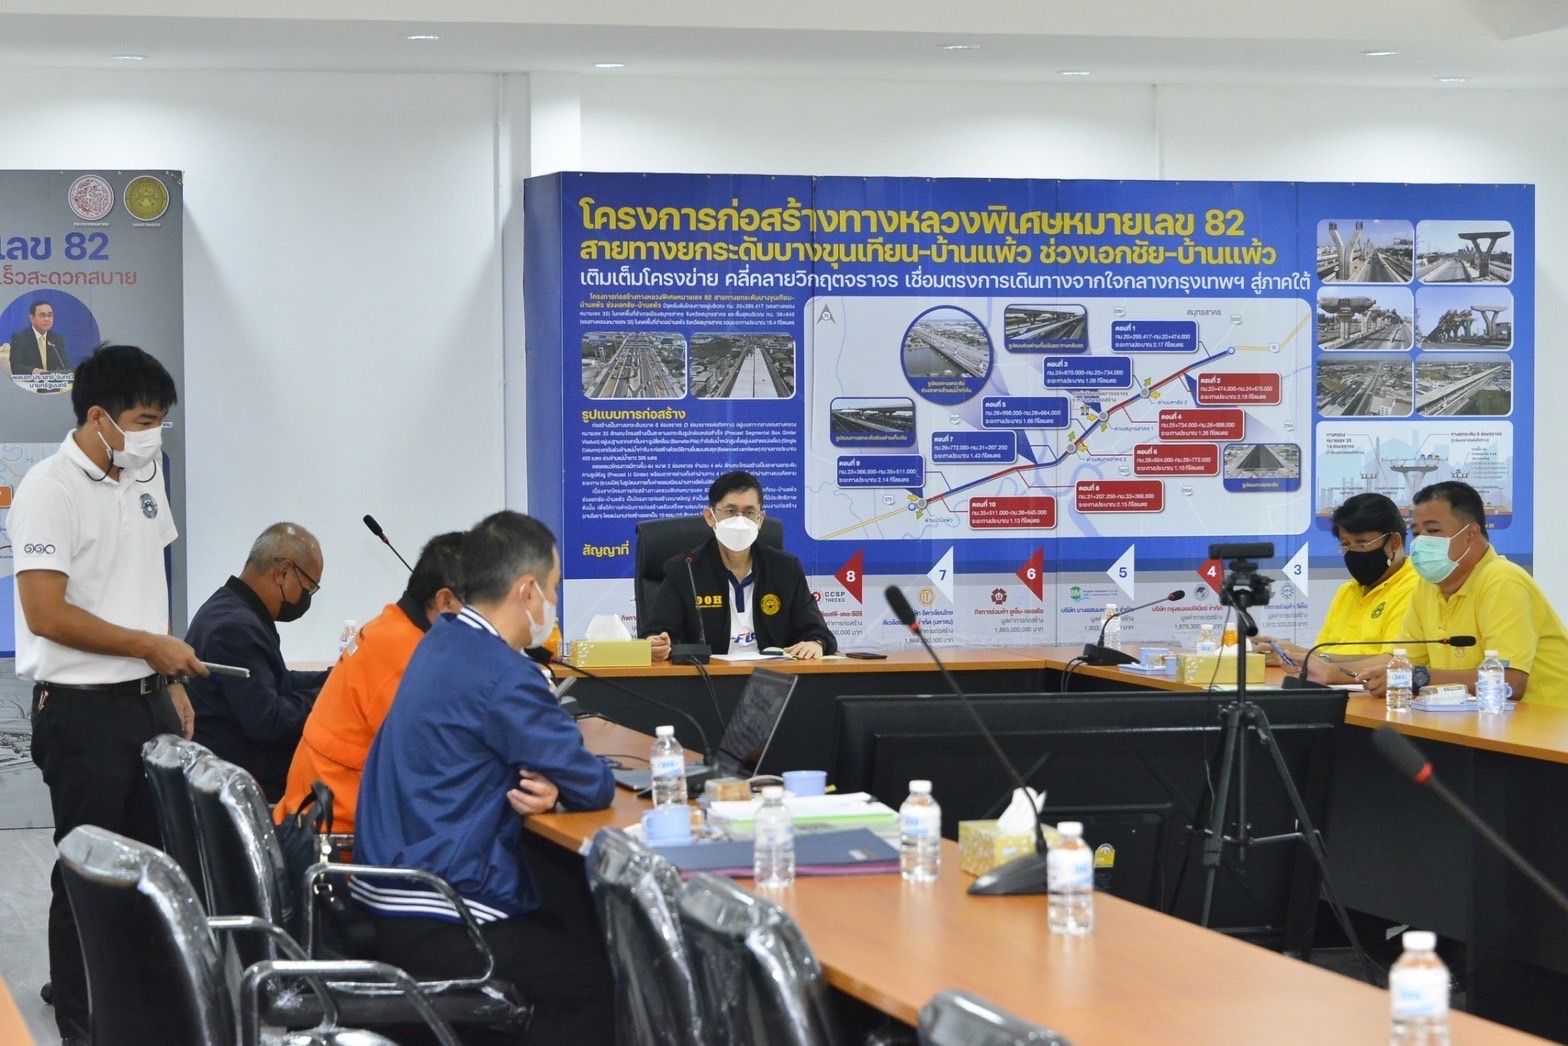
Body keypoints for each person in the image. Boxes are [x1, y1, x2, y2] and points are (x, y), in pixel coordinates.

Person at [8, 343, 207, 1043]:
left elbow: (150, 581)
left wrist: (168, 677)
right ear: (99, 417)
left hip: (148, 699)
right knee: (86, 873)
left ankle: (141, 1010)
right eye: (145, 421)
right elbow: (44, 614)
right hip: (82, 711)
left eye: (161, 421)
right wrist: (148, 646)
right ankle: (82, 1022)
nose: (155, 434)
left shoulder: (145, 473)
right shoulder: (48, 489)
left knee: (151, 869)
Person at [355, 511, 616, 1044]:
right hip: (441, 910)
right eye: (553, 588)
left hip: (389, 887)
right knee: (604, 978)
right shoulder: (504, 673)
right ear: (527, 590)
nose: (553, 602)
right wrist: (561, 781)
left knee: (565, 922)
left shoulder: (442, 640)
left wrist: (550, 780)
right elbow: (593, 783)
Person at [273, 531, 465, 832]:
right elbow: (440, 769)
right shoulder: (408, 658)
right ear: (446, 602)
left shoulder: (388, 628)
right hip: (336, 838)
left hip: (312, 816)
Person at [1358, 480, 1568, 705]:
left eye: (1433, 531)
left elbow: (1510, 681)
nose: (1421, 542)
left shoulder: (1503, 581)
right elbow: (1403, 663)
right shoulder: (1427, 586)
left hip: (1542, 721)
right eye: (1416, 533)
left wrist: (1419, 678)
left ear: (1470, 534)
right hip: (1467, 719)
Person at [184, 523, 330, 802]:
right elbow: (269, 721)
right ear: (283, 572)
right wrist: (329, 697)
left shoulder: (227, 607)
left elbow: (275, 679)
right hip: (245, 787)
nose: (306, 600)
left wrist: (334, 677)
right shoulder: (236, 627)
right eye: (308, 589)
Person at [643, 469, 836, 660]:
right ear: (710, 517)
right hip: (705, 676)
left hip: (772, 674)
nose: (740, 520)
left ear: (760, 519)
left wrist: (816, 643)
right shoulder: (685, 570)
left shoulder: (785, 568)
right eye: (730, 511)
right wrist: (656, 645)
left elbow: (818, 632)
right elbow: (656, 633)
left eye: (749, 512)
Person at [1256, 492, 1420, 683]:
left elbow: (1394, 661)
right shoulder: (1347, 591)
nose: (1353, 553)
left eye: (1362, 543)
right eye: (1346, 545)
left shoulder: (1415, 588)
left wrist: (1310, 657)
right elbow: (1325, 652)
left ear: (1394, 543)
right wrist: (1293, 655)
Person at [8, 300, 71, 374]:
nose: (47, 319)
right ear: (32, 318)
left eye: (50, 315)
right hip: (30, 380)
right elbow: (15, 367)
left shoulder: (56, 339)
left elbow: (65, 365)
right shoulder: (20, 338)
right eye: (42, 315)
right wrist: (34, 371)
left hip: (51, 380)